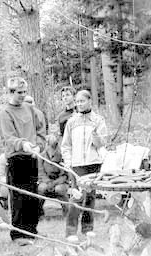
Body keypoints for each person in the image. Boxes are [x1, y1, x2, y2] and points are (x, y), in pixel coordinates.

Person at [0, 77, 46, 246]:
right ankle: (19, 234)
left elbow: (40, 130)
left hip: (32, 157)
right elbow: (8, 137)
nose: (23, 95)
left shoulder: (30, 109)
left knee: (32, 195)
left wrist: (39, 146)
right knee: (19, 196)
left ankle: (32, 231)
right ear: (11, 93)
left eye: (25, 92)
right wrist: (23, 144)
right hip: (16, 158)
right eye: (20, 93)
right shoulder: (5, 113)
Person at [61, 90, 107, 241]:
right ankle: (71, 231)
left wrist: (96, 137)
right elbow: (66, 145)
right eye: (78, 101)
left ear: (90, 101)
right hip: (77, 165)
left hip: (94, 163)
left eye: (82, 101)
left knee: (90, 198)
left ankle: (87, 228)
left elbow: (101, 144)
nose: (79, 104)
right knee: (77, 197)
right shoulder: (72, 122)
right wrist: (69, 162)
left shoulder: (98, 120)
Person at [38, 134, 69, 215]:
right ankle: (39, 212)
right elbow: (40, 172)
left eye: (54, 146)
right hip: (46, 181)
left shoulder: (62, 156)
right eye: (50, 145)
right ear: (47, 144)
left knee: (59, 189)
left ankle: (67, 211)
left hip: (60, 182)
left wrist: (54, 183)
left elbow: (64, 175)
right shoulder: (41, 156)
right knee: (41, 188)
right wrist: (48, 182)